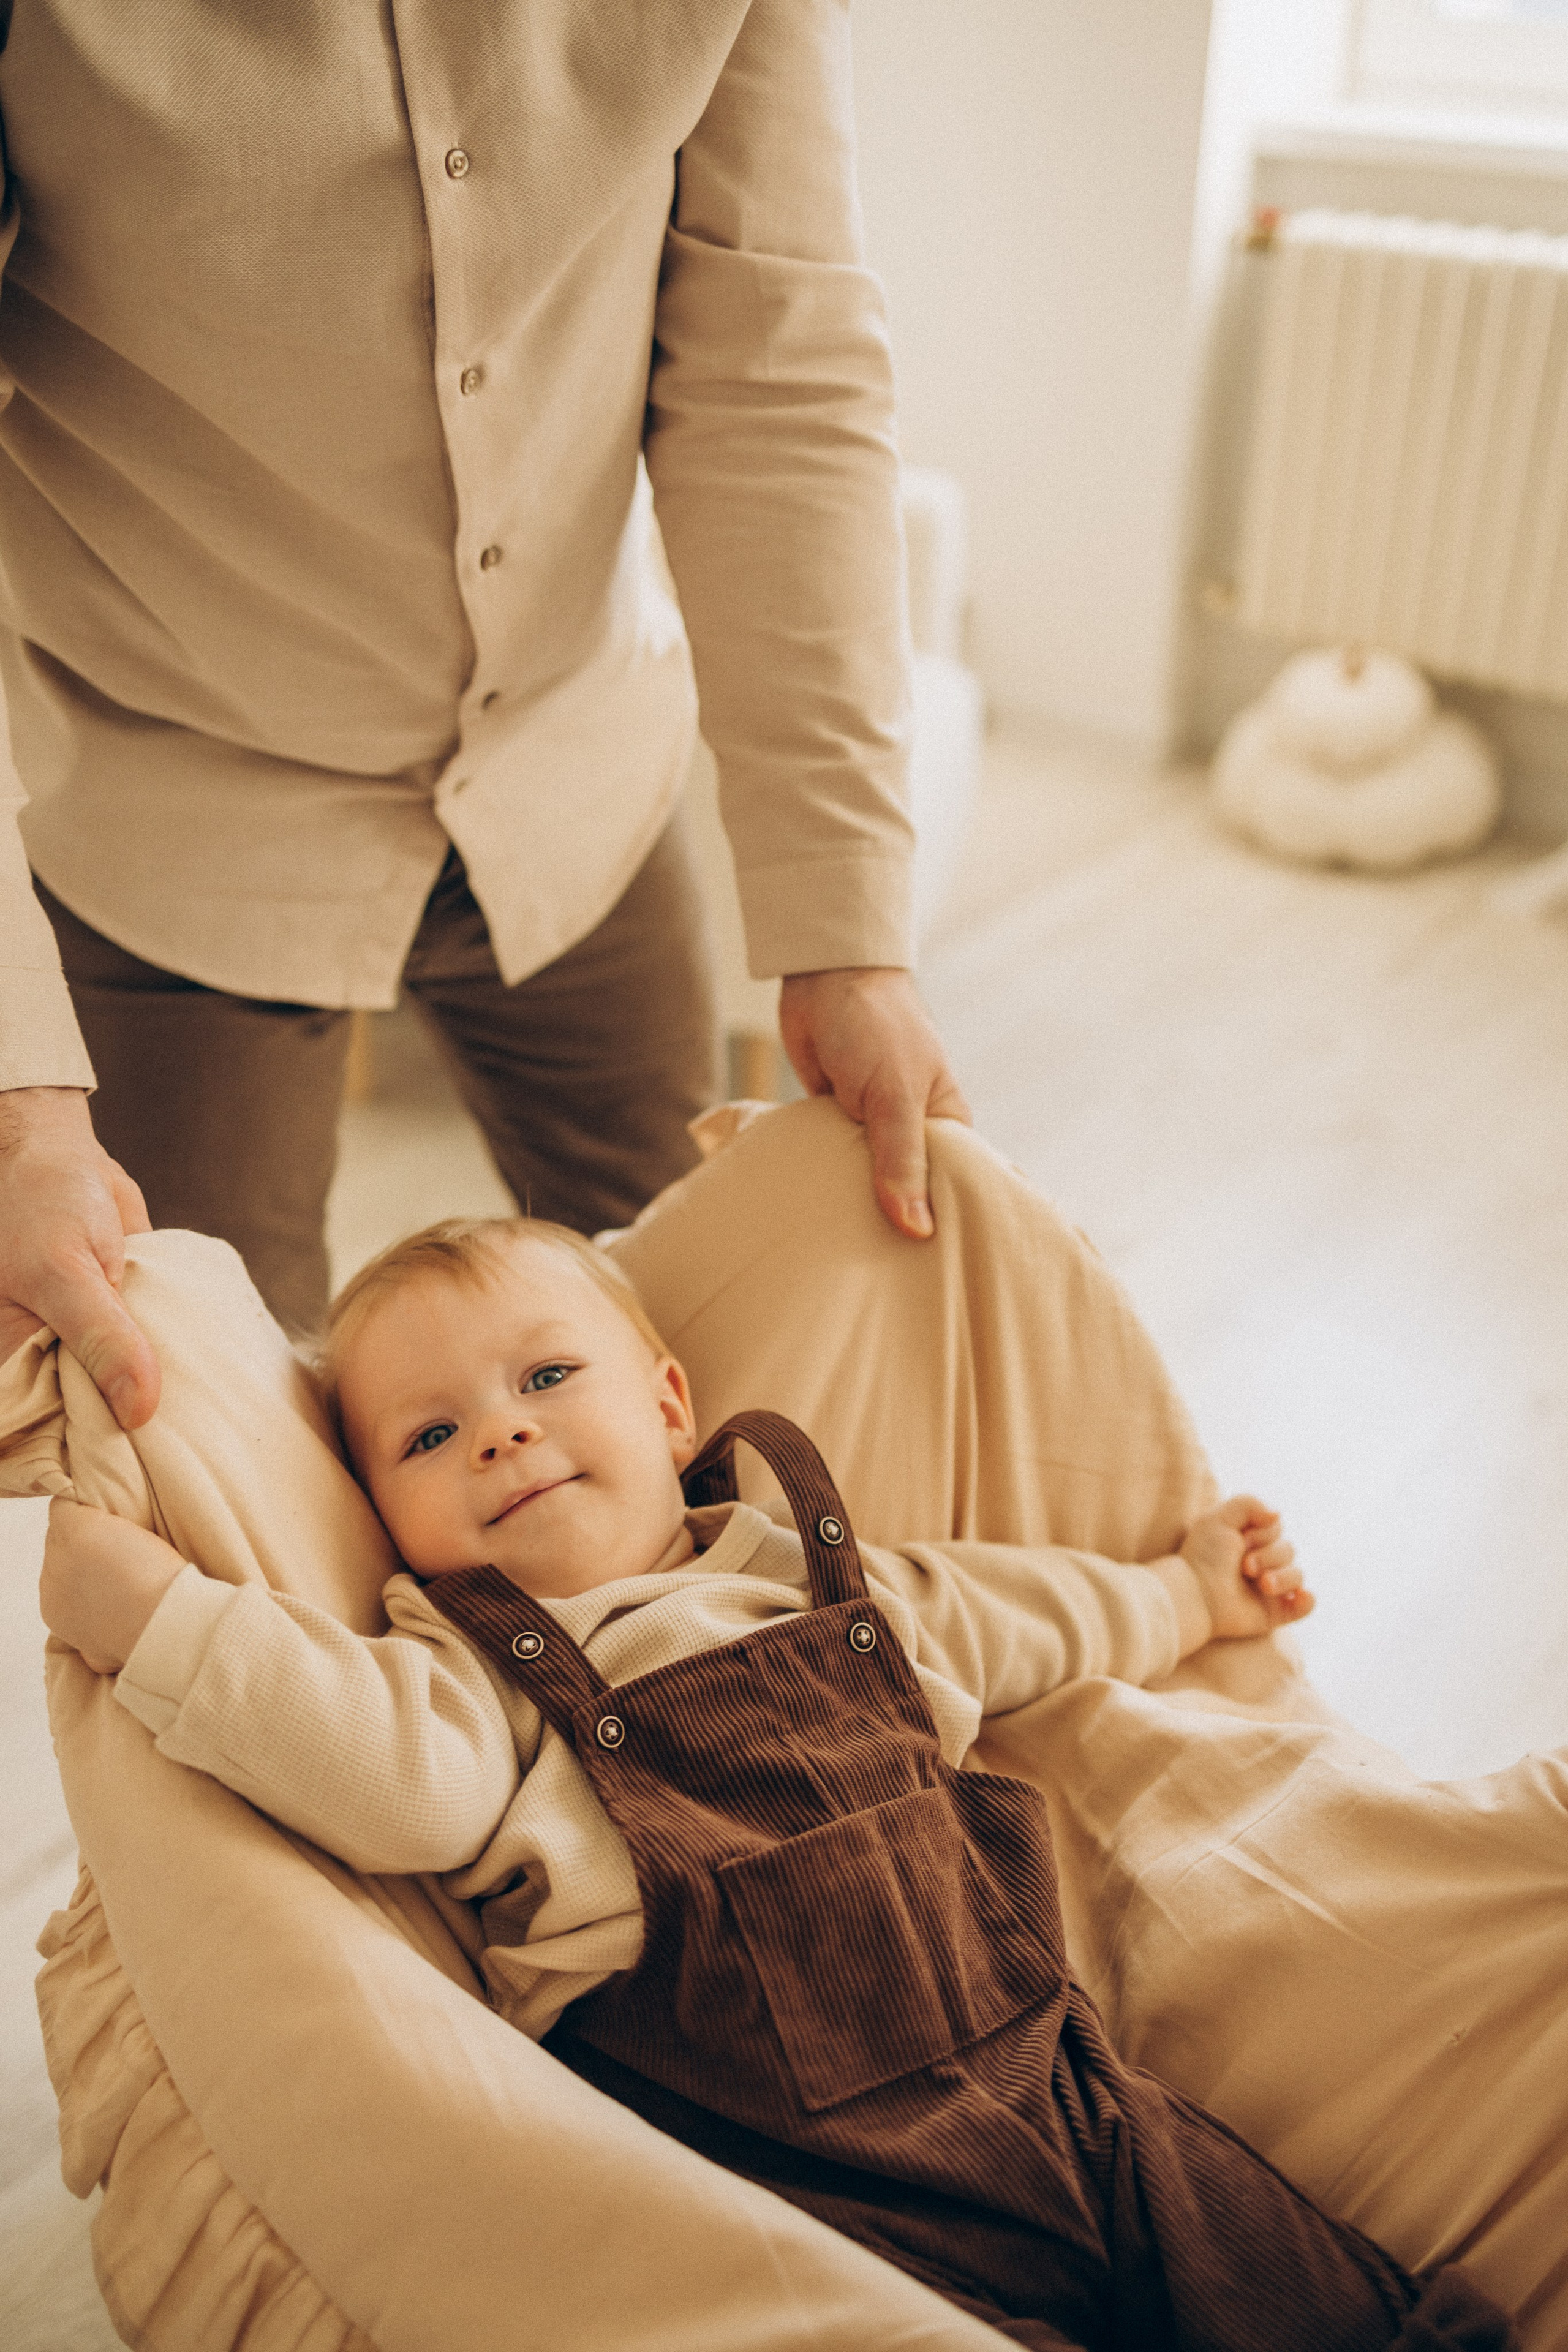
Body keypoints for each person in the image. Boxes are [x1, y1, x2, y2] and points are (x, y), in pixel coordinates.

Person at [39, 1216, 1513, 2351]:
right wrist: (166, 1621)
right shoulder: (477, 1668)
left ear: (671, 1409)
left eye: (547, 1377)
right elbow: (392, 1781)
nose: (501, 1430)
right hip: (794, 2182)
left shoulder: (811, 1582)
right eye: (430, 1437)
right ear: (390, 1525)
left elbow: (1018, 1619)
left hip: (1058, 2089)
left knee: (1310, 2294)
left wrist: (1188, 1594)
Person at [0, 3, 968, 1431]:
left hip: (574, 774)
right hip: (177, 808)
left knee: (696, 1368)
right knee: (219, 1447)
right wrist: (20, 1096)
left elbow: (778, 362)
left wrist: (846, 930)